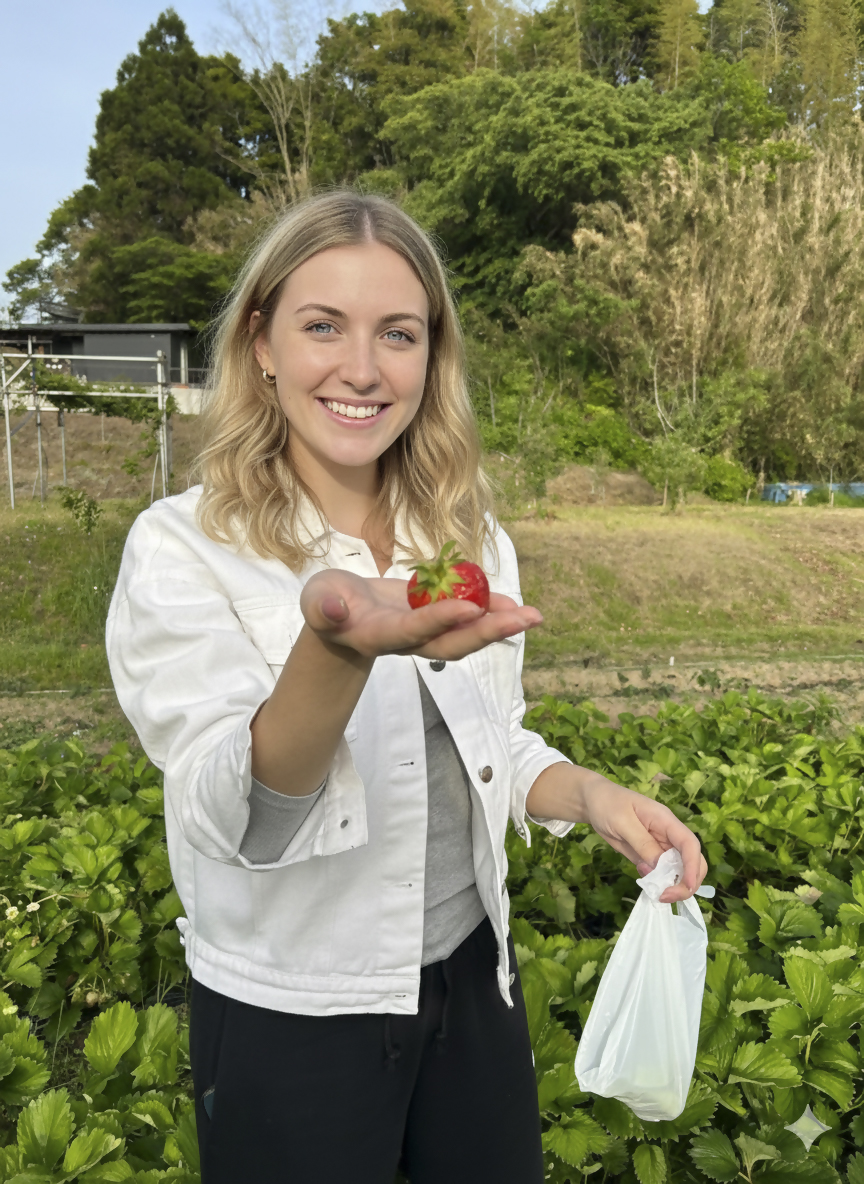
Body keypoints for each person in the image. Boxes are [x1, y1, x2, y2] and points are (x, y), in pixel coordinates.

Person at [106, 191, 707, 1184]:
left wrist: (590, 794)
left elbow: (491, 740)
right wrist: (336, 648)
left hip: (474, 981)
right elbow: (239, 816)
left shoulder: (465, 541)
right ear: (260, 340)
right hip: (292, 1008)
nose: (361, 367)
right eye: (322, 326)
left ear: (432, 355)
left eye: (398, 332)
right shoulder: (185, 547)